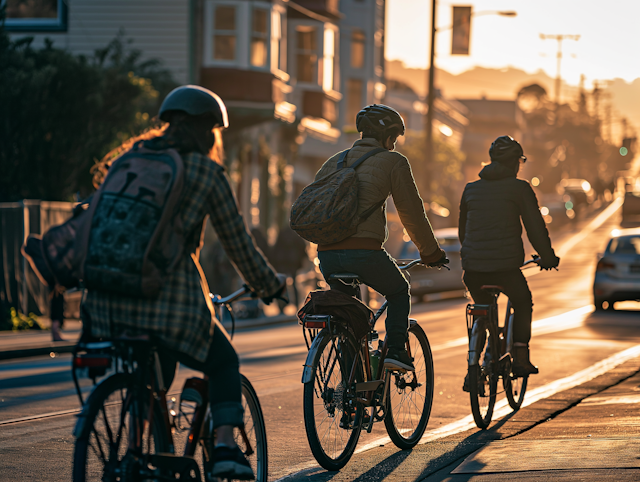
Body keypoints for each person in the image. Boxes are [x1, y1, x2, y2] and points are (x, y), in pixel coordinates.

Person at [83, 85, 284, 481]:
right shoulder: (205, 172)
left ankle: (138, 453)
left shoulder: (129, 160)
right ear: (207, 130)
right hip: (167, 302)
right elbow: (238, 243)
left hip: (105, 302)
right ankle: (225, 446)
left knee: (150, 371)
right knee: (223, 360)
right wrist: (269, 285)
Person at [314, 104, 447, 372]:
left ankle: (353, 389)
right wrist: (430, 253)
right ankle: (396, 350)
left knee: (348, 314)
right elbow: (412, 213)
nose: (395, 145)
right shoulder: (394, 162)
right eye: (394, 139)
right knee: (399, 290)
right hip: (364, 253)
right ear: (387, 136)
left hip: (327, 255)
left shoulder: (334, 161)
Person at [458, 135, 560, 385]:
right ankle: (521, 356)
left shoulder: (471, 189)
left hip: (473, 270)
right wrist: (547, 257)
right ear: (515, 162)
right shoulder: (520, 189)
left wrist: (474, 253)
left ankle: (475, 364)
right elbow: (535, 228)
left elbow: (463, 232)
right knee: (523, 301)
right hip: (506, 269)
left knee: (482, 308)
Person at [271, 225, 308, 311]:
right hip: (293, 262)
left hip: (282, 262)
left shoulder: (282, 233)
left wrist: (275, 261)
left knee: (282, 284)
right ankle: (296, 304)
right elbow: (303, 247)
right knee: (294, 283)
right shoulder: (295, 234)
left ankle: (282, 305)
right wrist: (301, 259)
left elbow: (276, 247)